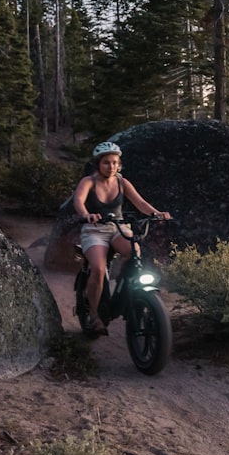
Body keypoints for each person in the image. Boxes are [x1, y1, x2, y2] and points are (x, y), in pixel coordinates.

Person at [72, 140, 171, 334]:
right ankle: (94, 315)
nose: (111, 166)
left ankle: (122, 289)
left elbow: (140, 202)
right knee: (99, 268)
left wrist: (157, 213)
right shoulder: (88, 182)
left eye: (115, 163)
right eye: (107, 162)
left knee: (134, 251)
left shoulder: (122, 182)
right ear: (98, 164)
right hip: (94, 230)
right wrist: (86, 214)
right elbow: (78, 200)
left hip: (118, 227)